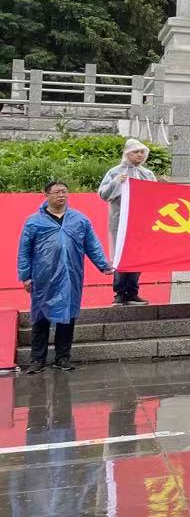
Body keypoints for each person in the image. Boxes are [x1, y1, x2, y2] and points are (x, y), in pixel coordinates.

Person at [17, 180, 113, 373]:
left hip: (70, 275)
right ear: (46, 195)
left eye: (64, 192)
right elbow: (24, 251)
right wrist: (25, 276)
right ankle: (37, 359)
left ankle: (62, 357)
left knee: (67, 316)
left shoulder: (79, 220)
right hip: (43, 277)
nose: (61, 195)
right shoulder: (34, 221)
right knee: (41, 318)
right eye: (57, 192)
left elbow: (92, 245)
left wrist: (103, 265)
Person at [96, 138, 157, 306]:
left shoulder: (147, 174)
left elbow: (155, 196)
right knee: (120, 255)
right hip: (120, 221)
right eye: (135, 152)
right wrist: (117, 182)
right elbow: (103, 194)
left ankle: (132, 292)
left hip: (140, 222)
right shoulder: (115, 172)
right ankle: (120, 293)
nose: (139, 155)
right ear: (127, 153)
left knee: (137, 256)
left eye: (142, 152)